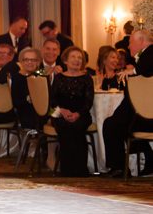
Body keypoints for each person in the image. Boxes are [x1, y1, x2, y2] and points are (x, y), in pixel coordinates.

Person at [103, 30, 153, 177]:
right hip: (142, 112)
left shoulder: (149, 54)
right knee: (116, 125)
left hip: (145, 113)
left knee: (111, 125)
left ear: (142, 41)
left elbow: (145, 68)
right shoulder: (145, 57)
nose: (129, 46)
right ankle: (149, 159)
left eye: (131, 42)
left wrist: (132, 71)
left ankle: (119, 168)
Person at [50, 46, 94, 177]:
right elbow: (52, 102)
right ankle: (67, 169)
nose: (77, 60)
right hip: (59, 113)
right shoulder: (58, 78)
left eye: (80, 57)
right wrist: (62, 111)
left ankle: (81, 169)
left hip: (82, 113)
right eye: (73, 57)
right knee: (65, 127)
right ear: (65, 60)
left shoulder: (87, 78)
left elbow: (88, 102)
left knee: (77, 127)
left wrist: (77, 114)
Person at [11, 47, 42, 130]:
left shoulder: (42, 77)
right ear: (21, 62)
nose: (29, 62)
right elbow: (16, 102)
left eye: (33, 60)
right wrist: (30, 99)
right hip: (24, 112)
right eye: (26, 59)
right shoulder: (16, 78)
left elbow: (49, 99)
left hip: (42, 112)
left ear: (38, 62)